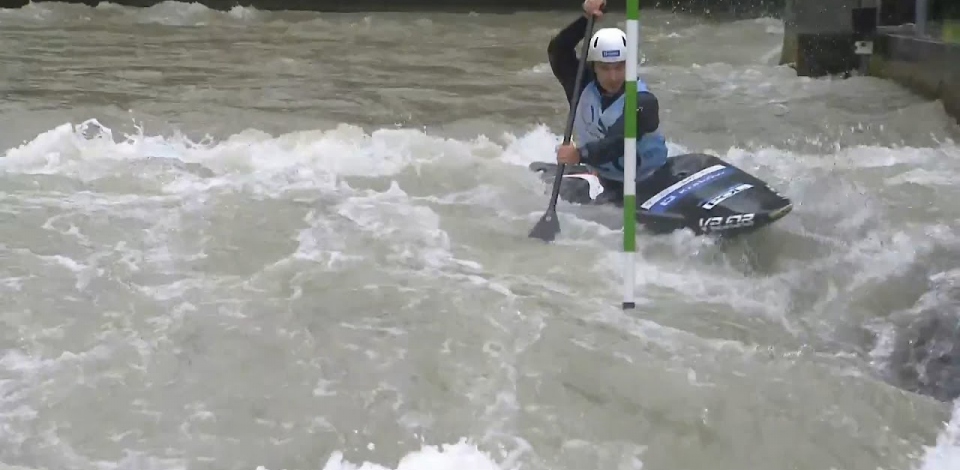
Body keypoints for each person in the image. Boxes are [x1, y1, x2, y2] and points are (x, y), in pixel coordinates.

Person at [548, 0, 670, 203]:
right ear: (593, 66)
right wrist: (586, 19)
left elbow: (618, 142)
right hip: (604, 178)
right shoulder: (579, 84)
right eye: (605, 68)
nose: (613, 77)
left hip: (652, 178)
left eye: (620, 67)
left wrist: (579, 155)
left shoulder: (643, 101)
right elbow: (558, 50)